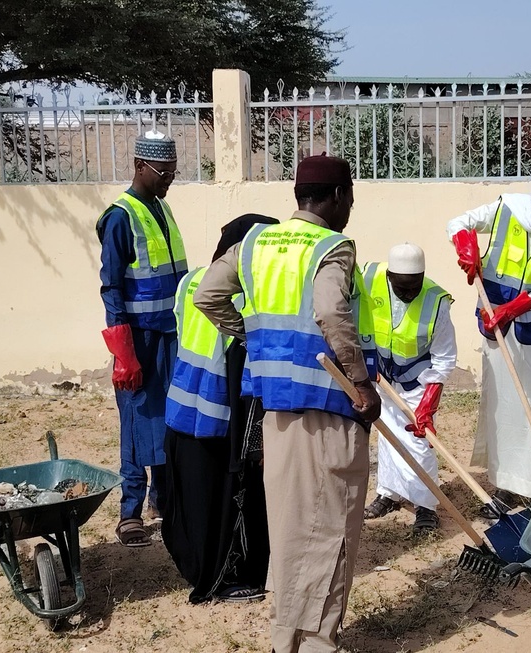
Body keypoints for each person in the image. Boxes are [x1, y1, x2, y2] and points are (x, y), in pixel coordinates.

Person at [193, 154, 382, 652]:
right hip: (328, 406)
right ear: (338, 196)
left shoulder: (254, 242)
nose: (350, 209)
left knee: (292, 524)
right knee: (332, 527)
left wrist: (253, 338)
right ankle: (319, 643)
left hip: (276, 409)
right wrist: (362, 386)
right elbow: (329, 310)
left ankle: (287, 639)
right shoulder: (333, 247)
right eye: (350, 198)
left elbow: (207, 294)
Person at [446, 159, 531, 509]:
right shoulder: (506, 208)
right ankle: (506, 487)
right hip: (495, 321)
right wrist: (467, 247)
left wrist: (515, 307)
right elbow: (458, 222)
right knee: (504, 404)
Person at [162, 214, 276, 603]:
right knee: (225, 500)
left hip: (182, 407)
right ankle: (222, 579)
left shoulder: (189, 281)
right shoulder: (244, 294)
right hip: (220, 415)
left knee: (192, 500)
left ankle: (195, 568)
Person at [97, 131, 188, 547]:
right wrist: (122, 352)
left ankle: (162, 498)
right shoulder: (121, 216)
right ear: (139, 166)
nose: (169, 178)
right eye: (162, 171)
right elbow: (111, 286)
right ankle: (129, 512)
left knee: (170, 417)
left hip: (170, 334)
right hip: (138, 339)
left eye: (172, 170)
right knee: (137, 420)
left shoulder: (161, 208)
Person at [362, 243, 456, 535]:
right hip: (381, 375)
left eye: (414, 286)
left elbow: (444, 356)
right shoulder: (369, 282)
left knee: (418, 443)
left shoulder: (435, 301)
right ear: (390, 276)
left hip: (417, 378)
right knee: (387, 435)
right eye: (402, 288)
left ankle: (426, 505)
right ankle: (388, 493)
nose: (409, 293)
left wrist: (428, 401)